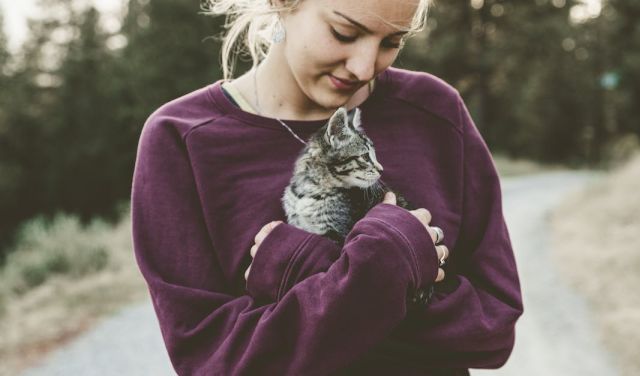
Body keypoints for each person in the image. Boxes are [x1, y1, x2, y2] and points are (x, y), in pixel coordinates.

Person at [130, 0, 524, 374]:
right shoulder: (182, 140)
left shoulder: (435, 113)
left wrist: (306, 274)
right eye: (344, 33)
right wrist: (383, 268)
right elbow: (215, 361)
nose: (365, 67)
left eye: (391, 42)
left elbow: (492, 329)